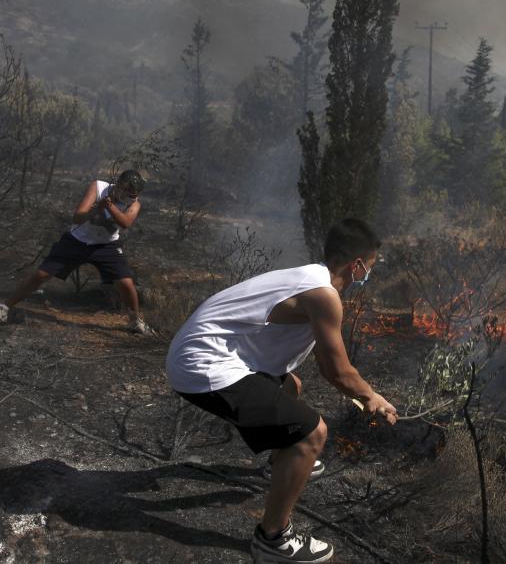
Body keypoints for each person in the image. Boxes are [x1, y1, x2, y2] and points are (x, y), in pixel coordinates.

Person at [165, 218, 397, 563]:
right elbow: (338, 372)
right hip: (202, 365)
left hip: (199, 352)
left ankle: (280, 463)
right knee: (313, 434)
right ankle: (272, 539)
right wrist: (371, 397)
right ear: (357, 265)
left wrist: (359, 391)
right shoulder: (323, 295)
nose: (369, 275)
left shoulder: (311, 279)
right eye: (371, 267)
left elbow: (323, 363)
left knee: (292, 385)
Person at [0, 170, 153, 334]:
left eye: (134, 194)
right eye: (129, 193)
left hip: (106, 245)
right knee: (42, 275)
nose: (131, 198)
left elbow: (125, 223)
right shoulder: (99, 187)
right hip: (78, 239)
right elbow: (78, 217)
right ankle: (4, 308)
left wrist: (109, 206)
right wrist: (96, 210)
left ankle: (134, 320)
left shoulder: (134, 204)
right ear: (120, 187)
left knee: (126, 283)